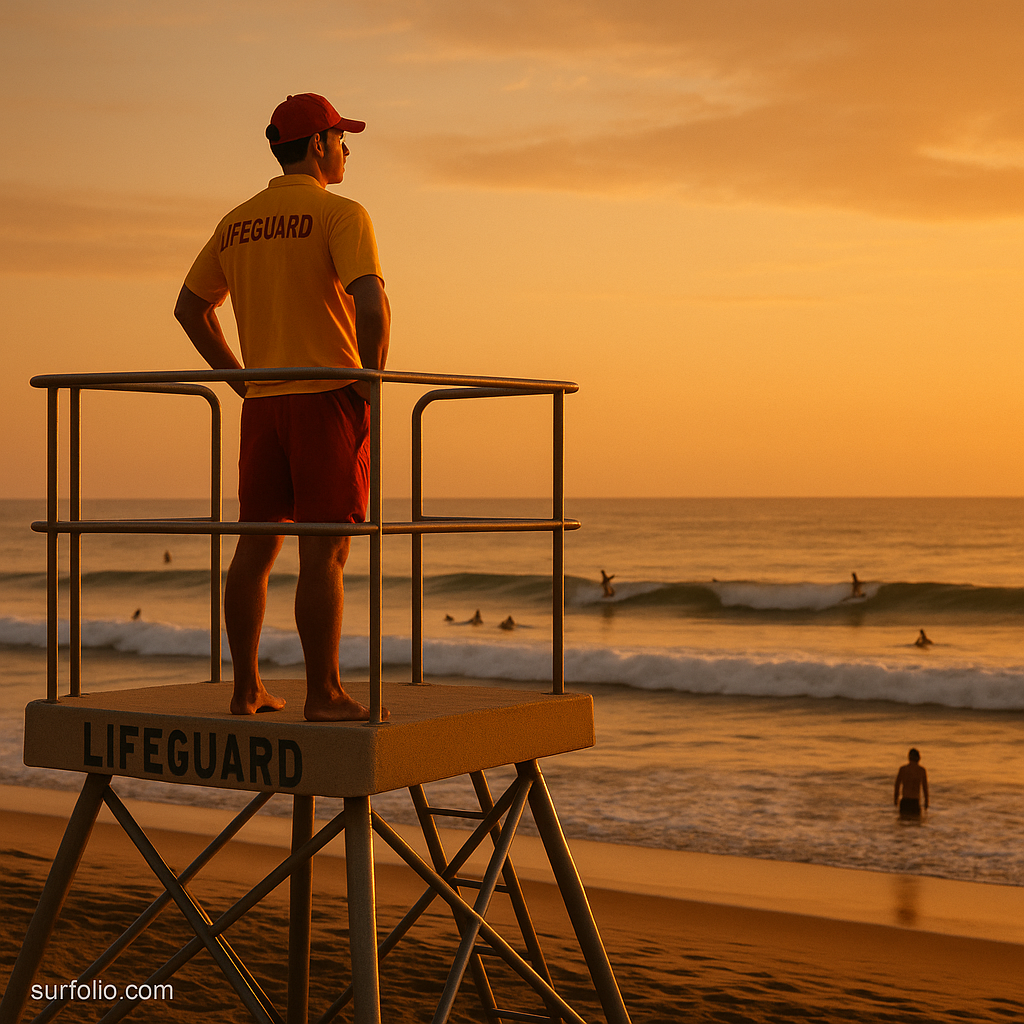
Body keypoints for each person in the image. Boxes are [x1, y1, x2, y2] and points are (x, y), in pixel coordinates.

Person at [174, 93, 390, 723]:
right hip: (327, 398)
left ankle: (246, 689)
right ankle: (324, 694)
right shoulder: (342, 213)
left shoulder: (237, 221)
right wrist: (368, 381)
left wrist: (240, 381)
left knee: (255, 548)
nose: (347, 150)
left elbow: (190, 308)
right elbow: (371, 306)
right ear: (319, 144)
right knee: (326, 551)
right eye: (342, 139)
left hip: (265, 405)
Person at [894, 748, 929, 817]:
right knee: (915, 825)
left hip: (905, 801)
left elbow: (897, 786)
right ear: (918, 758)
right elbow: (925, 787)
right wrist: (926, 801)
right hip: (915, 802)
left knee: (903, 824)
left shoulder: (903, 769)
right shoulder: (921, 770)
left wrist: (895, 799)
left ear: (909, 757)